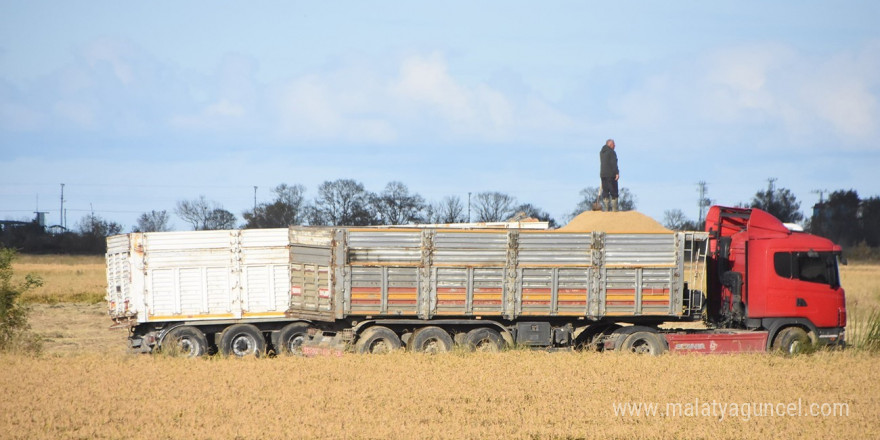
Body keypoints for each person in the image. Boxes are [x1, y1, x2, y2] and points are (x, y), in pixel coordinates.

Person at [599, 138, 619, 211]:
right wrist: (616, 173)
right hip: (611, 175)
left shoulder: (602, 152)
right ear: (610, 145)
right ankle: (615, 210)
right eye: (614, 144)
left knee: (605, 192)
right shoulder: (611, 152)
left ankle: (606, 209)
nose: (615, 146)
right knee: (614, 192)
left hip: (603, 174)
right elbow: (613, 163)